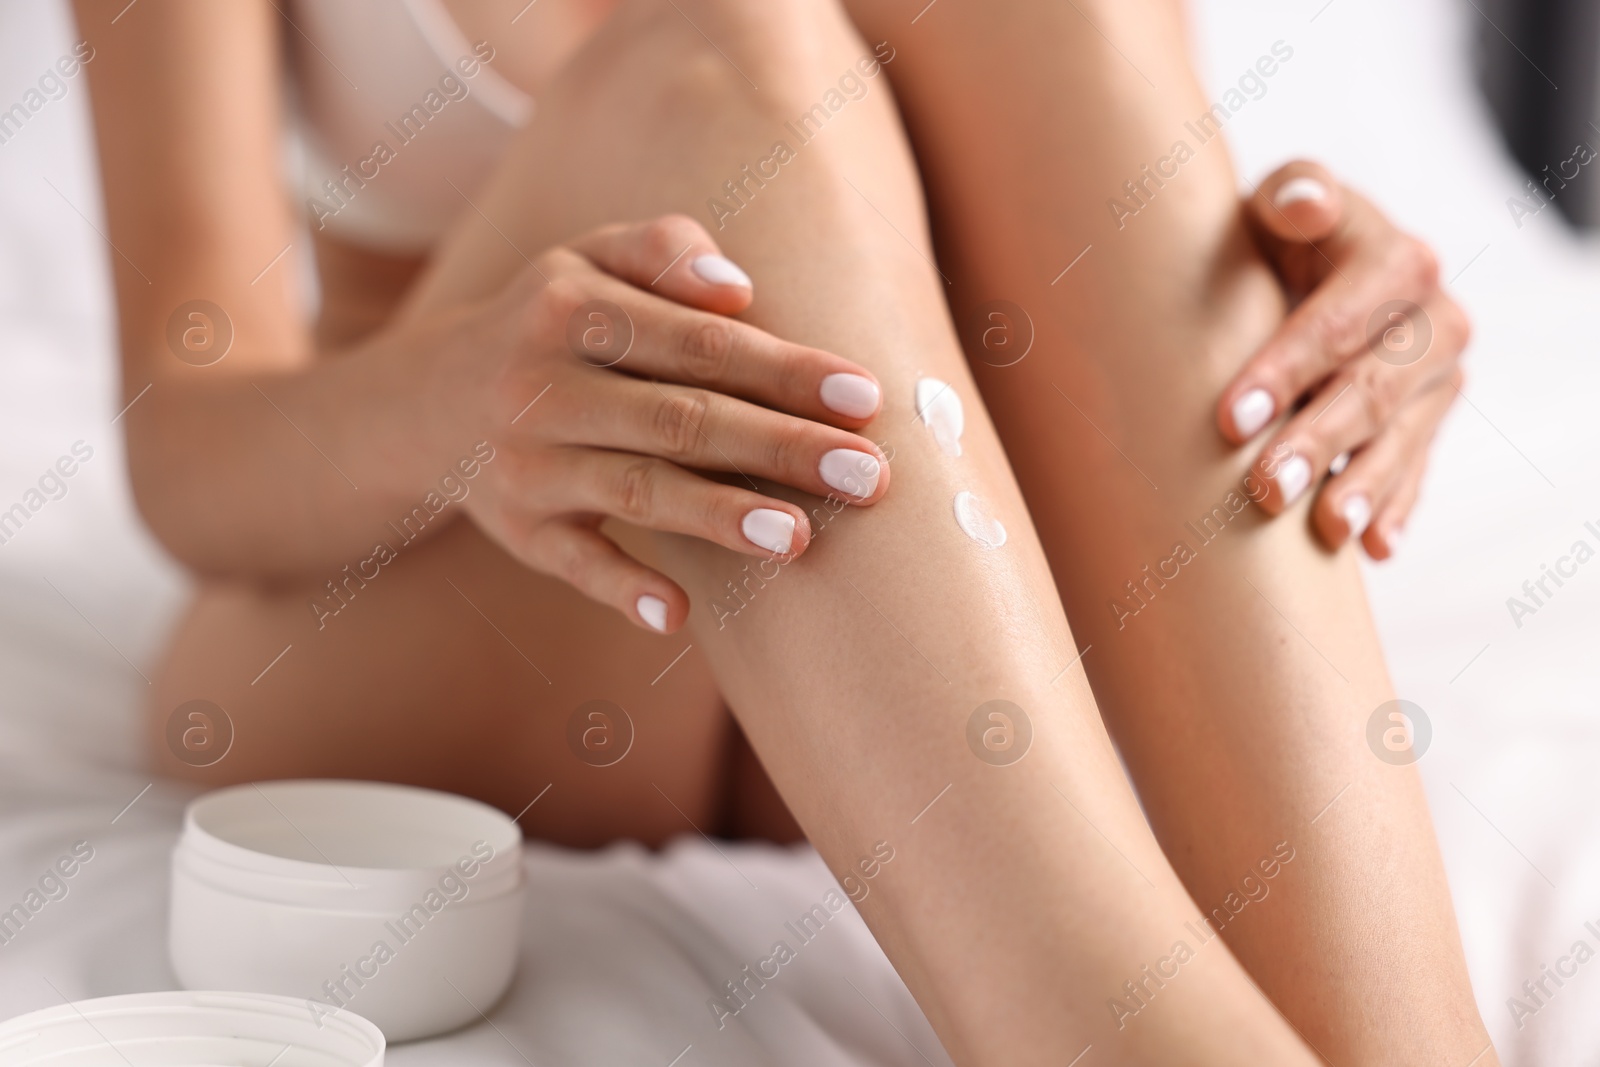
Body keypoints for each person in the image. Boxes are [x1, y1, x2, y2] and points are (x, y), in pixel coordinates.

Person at [75, 0, 1490, 1061]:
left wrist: (1300, 319)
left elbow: (1089, 225)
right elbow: (190, 445)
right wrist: (451, 401)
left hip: (908, 644)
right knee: (721, 59)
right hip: (477, 595)